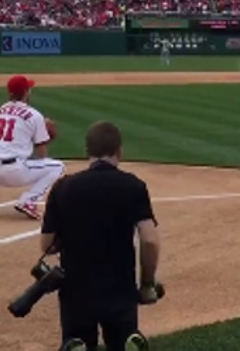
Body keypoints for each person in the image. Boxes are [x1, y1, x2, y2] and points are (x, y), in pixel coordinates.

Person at [41, 121, 161, 351]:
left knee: (77, 345)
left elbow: (47, 245)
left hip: (76, 292)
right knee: (125, 344)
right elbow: (150, 240)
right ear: (119, 151)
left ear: (87, 152)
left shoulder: (63, 187)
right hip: (119, 290)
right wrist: (147, 285)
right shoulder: (133, 186)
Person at [0, 75, 65, 220]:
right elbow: (41, 149)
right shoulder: (34, 115)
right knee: (58, 166)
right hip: (14, 172)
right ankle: (28, 200)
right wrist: (41, 162)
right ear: (26, 92)